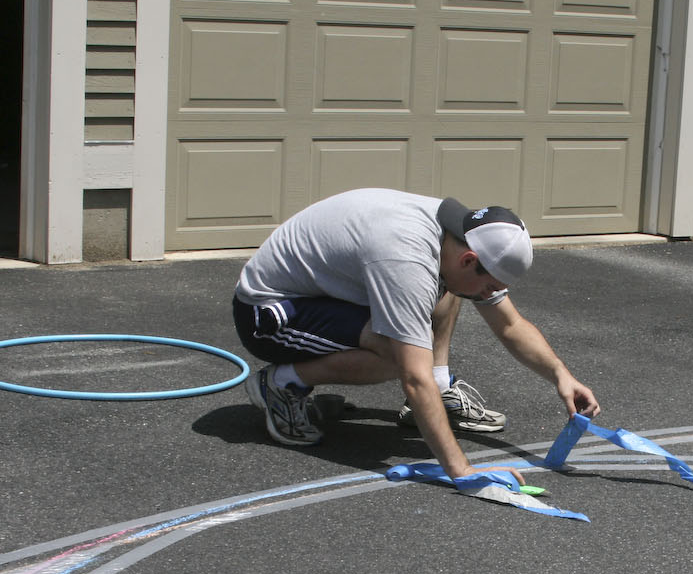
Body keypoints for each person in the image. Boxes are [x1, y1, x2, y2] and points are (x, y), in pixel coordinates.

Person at [232, 187, 601, 483]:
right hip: (270, 313)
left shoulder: (458, 236)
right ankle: (281, 384)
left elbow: (509, 324)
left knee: (452, 291)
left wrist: (561, 376)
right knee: (399, 355)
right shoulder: (406, 259)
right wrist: (464, 471)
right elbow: (413, 378)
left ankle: (443, 390)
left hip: (326, 294)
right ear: (469, 259)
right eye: (490, 285)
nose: (492, 293)